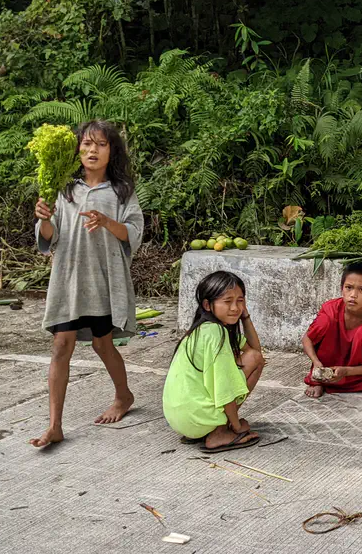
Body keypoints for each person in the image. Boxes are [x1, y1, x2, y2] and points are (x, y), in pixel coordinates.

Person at [30, 120, 144, 448]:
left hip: (103, 282)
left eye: (101, 145)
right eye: (86, 144)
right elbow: (50, 239)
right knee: (61, 345)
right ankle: (54, 425)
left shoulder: (121, 191)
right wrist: (44, 219)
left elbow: (133, 233)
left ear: (112, 151)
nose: (92, 150)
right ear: (77, 149)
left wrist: (109, 222)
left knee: (102, 345)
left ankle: (124, 396)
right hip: (68, 279)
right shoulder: (65, 189)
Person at [162, 271, 265, 453]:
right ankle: (219, 432)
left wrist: (245, 316)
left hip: (181, 419)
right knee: (252, 362)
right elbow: (224, 387)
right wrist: (235, 426)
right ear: (208, 305)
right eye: (227, 301)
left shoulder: (204, 328)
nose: (235, 307)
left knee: (254, 358)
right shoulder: (216, 334)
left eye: (240, 301)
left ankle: (210, 428)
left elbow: (254, 349)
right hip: (198, 418)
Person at [303, 261, 362, 398]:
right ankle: (319, 380)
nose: (353, 295)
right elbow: (306, 338)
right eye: (349, 287)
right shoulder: (330, 310)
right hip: (326, 370)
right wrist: (316, 363)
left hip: (357, 373)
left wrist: (347, 371)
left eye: (361, 290)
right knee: (327, 322)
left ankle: (361, 382)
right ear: (341, 288)